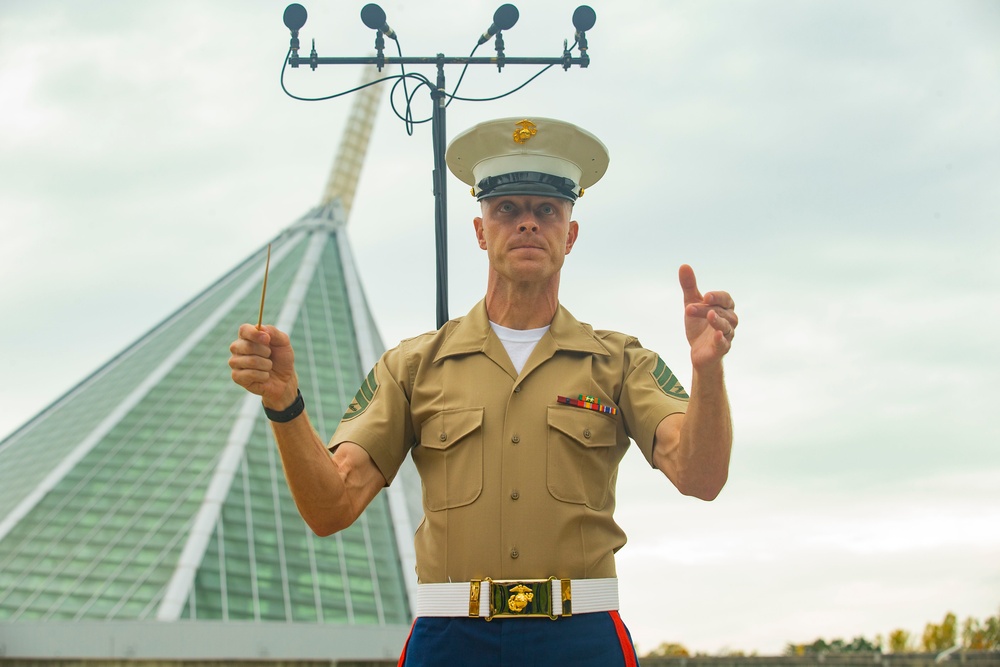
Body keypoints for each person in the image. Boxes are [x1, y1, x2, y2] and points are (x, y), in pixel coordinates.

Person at [229, 117, 737, 667]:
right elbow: (331, 507)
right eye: (507, 210)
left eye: (546, 210)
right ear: (480, 231)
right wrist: (285, 402)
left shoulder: (619, 362)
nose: (527, 224)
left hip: (581, 636)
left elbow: (701, 476)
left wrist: (707, 370)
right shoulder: (412, 366)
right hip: (451, 637)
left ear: (570, 234)